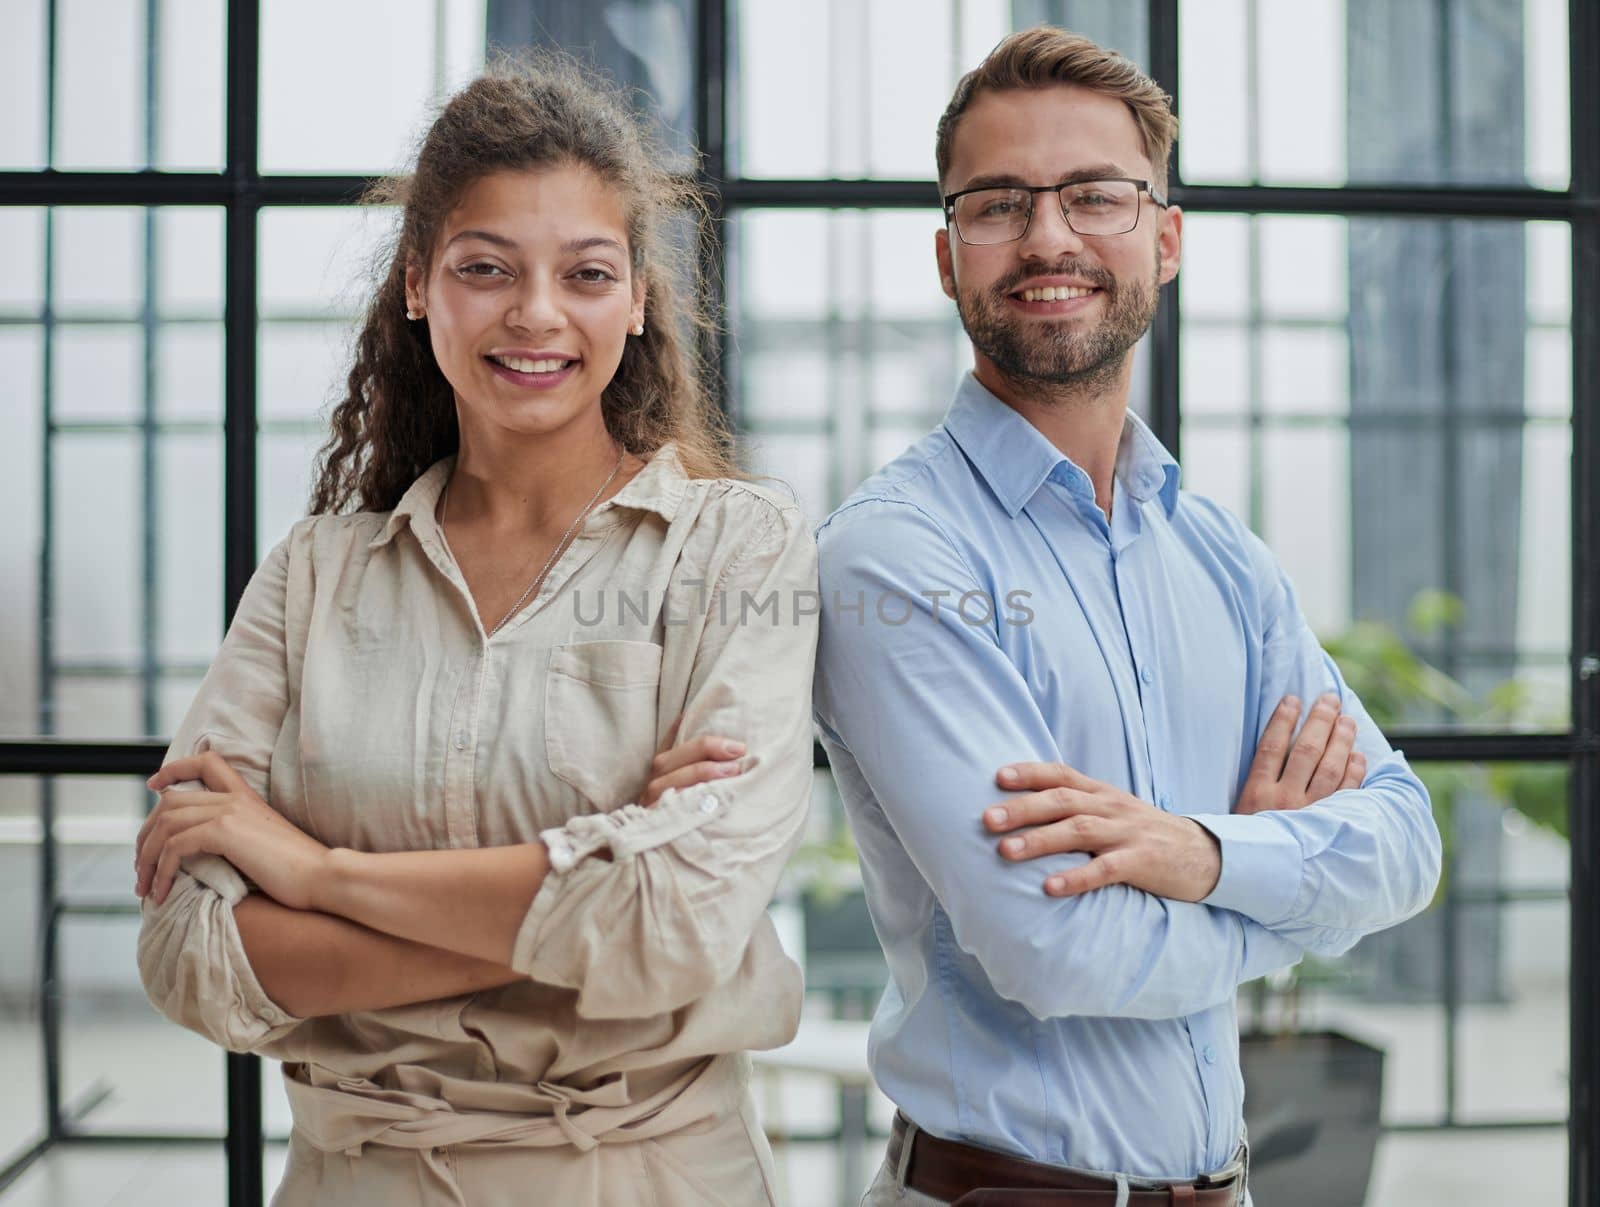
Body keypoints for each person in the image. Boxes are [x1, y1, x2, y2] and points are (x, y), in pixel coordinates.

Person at [133, 53, 816, 1206]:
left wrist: (313, 871)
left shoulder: (735, 548)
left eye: (587, 273)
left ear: (639, 297)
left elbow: (681, 916)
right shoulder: (315, 575)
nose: (536, 313)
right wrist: (587, 894)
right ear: (417, 285)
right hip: (356, 1181)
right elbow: (190, 952)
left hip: (644, 1179)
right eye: (485, 268)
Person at [811, 27, 1442, 1207]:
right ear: (947, 257)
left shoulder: (1217, 555)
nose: (1048, 236)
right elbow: (1056, 952)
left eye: (1093, 195)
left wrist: (1196, 854)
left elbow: (1406, 840)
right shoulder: (895, 557)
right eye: (999, 203)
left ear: (1164, 237)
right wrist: (1275, 884)